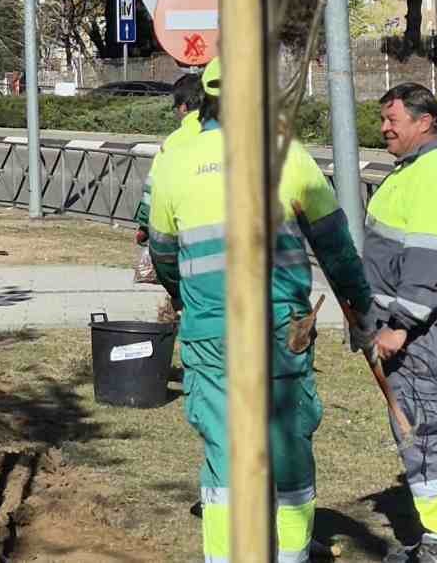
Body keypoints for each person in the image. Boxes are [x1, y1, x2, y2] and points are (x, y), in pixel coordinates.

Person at [148, 57, 376, 563]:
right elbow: (336, 246)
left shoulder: (173, 161)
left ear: (202, 103)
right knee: (289, 449)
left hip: (212, 334)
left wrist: (188, 301)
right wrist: (361, 308)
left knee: (224, 454)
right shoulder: (285, 155)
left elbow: (163, 254)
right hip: (280, 332)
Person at [364, 83, 437, 563]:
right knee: (420, 434)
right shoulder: (420, 168)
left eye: (394, 120)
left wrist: (399, 325)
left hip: (422, 336)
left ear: (424, 122)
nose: (385, 128)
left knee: (425, 437)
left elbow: (426, 263)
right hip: (417, 334)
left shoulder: (434, 172)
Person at [135, 72, 204, 243]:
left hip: (183, 235)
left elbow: (154, 187)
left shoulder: (174, 142)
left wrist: (144, 227)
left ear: (183, 108)